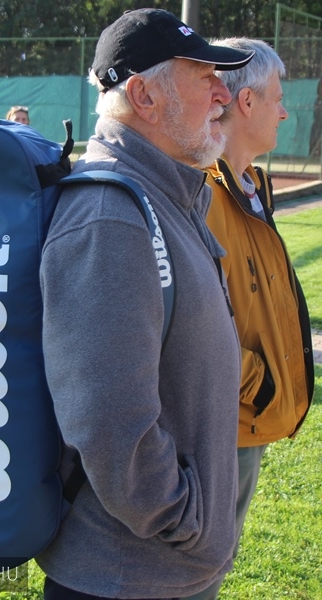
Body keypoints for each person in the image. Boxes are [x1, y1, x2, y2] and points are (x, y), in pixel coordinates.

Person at [36, 9, 254, 600]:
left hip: (161, 571)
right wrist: (183, 520)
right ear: (144, 96)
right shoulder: (111, 218)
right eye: (205, 76)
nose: (222, 94)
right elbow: (109, 422)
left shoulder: (166, 197)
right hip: (125, 577)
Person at [182, 38, 315, 600]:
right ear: (247, 102)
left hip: (246, 418)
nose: (284, 111)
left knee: (214, 564)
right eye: (278, 97)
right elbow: (190, 326)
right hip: (222, 424)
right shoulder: (199, 192)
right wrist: (259, 384)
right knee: (195, 574)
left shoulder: (251, 184)